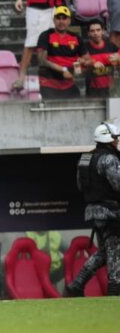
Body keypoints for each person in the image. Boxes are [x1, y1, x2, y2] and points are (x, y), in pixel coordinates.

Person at [69, 122, 120, 297]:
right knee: (115, 250)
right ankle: (115, 288)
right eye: (115, 137)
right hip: (111, 213)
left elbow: (80, 185)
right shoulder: (109, 159)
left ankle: (77, 284)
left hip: (93, 211)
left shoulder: (85, 159)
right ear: (107, 138)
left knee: (105, 252)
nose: (117, 141)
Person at [36, 6, 88, 99]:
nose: (61, 21)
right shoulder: (45, 35)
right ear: (53, 20)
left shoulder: (76, 38)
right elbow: (42, 60)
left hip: (69, 84)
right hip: (49, 84)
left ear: (69, 20)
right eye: (58, 18)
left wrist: (83, 62)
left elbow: (88, 60)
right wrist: (63, 70)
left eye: (64, 18)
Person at [82, 19, 119, 99]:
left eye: (98, 30)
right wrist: (92, 63)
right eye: (92, 31)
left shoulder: (111, 46)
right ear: (88, 33)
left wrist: (118, 59)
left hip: (111, 89)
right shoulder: (84, 47)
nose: (96, 33)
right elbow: (79, 62)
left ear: (103, 31)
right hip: (91, 90)